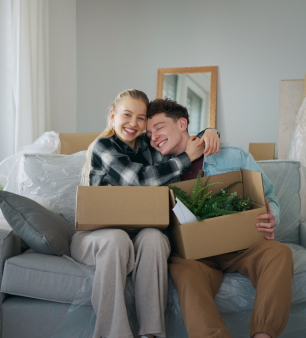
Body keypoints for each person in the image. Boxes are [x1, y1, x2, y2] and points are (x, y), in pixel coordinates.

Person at [71, 89, 221, 338]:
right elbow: (136, 179)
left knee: (154, 238)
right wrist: (185, 160)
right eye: (127, 115)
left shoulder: (147, 147)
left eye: (141, 118)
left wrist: (209, 133)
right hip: (95, 236)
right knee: (116, 238)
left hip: (136, 235)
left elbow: (179, 138)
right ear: (113, 115)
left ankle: (151, 333)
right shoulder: (103, 146)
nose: (133, 123)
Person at [146, 98, 294, 338]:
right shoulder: (156, 172)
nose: (154, 137)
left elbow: (269, 197)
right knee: (183, 272)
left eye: (159, 127)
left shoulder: (233, 156)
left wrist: (271, 216)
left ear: (182, 124)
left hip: (242, 247)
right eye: (149, 133)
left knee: (280, 253)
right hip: (194, 256)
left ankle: (263, 335)